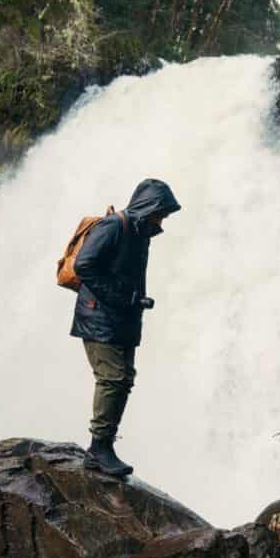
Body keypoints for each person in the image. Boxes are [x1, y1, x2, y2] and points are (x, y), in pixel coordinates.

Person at [70, 178, 182, 476]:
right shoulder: (113, 226)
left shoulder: (140, 232)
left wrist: (134, 302)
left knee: (123, 379)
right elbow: (84, 265)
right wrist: (125, 298)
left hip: (121, 319)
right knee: (113, 378)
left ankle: (104, 445)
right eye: (161, 213)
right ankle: (99, 448)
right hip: (99, 318)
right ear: (147, 207)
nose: (162, 220)